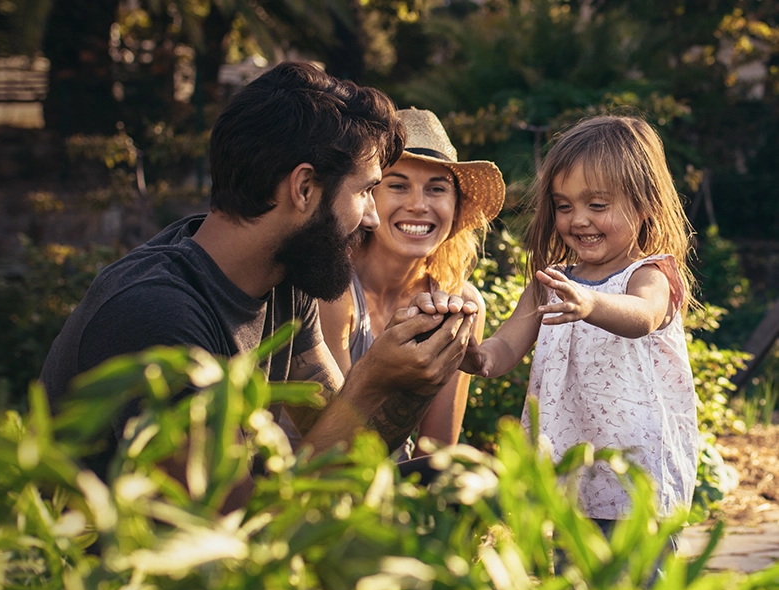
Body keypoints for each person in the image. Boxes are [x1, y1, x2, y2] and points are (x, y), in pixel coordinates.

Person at [38, 62, 480, 509]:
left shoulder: (287, 278)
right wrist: (370, 381)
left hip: (234, 542)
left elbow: (339, 444)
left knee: (460, 479)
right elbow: (233, 530)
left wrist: (411, 376)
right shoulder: (156, 312)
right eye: (366, 191)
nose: (371, 216)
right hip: (115, 565)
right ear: (304, 188)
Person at [458, 115, 699, 549]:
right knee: (575, 579)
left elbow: (642, 315)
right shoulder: (550, 282)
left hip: (635, 473)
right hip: (568, 472)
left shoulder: (648, 273)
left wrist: (591, 303)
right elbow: (507, 344)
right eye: (564, 206)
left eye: (597, 205)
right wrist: (476, 356)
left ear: (644, 205)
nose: (578, 219)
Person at [321, 109, 505, 454]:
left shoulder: (460, 303)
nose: (419, 205)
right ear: (368, 196)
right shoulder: (331, 289)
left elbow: (435, 450)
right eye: (398, 186)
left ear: (457, 206)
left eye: (437, 189)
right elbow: (330, 441)